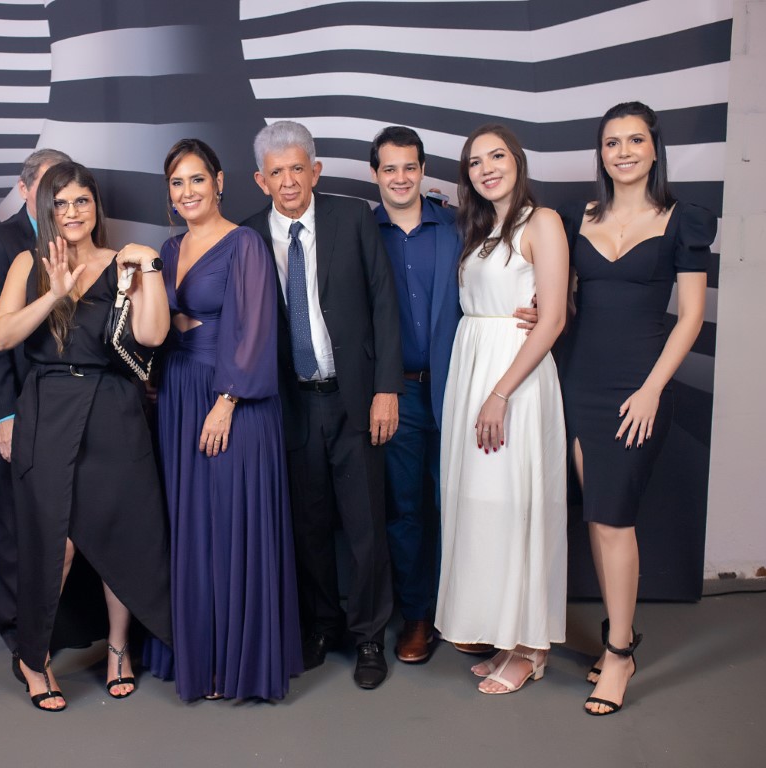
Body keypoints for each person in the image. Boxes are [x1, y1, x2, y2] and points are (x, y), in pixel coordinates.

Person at [0, 161, 173, 711]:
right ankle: (34, 657)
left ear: (96, 206)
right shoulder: (29, 262)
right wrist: (55, 294)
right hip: (48, 407)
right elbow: (1, 336)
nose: (72, 212)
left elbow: (153, 335)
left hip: (113, 408)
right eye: (62, 202)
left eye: (82, 201)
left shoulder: (123, 263)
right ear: (47, 208)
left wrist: (150, 268)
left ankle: (118, 649)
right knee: (55, 541)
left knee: (119, 533)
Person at [558, 102, 713, 715]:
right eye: (612, 142)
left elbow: (692, 316)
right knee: (599, 518)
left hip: (639, 388)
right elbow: (570, 302)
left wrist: (651, 390)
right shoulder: (580, 218)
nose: (623, 151)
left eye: (635, 140)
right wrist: (541, 313)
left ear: (654, 149)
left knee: (616, 518)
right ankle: (615, 636)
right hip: (581, 382)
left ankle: (620, 653)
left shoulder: (683, 221)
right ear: (601, 153)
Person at [369, 127, 541, 663]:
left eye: (410, 167)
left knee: (465, 500)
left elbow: (514, 267)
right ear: (376, 174)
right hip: (397, 393)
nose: (401, 178)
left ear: (424, 170)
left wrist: (545, 301)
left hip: (463, 384)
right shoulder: (361, 232)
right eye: (390, 168)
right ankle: (418, 617)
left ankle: (469, 611)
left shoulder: (461, 223)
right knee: (406, 509)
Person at [243, 121, 401, 690]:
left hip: (353, 397)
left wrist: (386, 388)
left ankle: (368, 636)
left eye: (297, 168)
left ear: (316, 170)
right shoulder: (248, 236)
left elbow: (384, 303)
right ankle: (321, 626)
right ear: (261, 180)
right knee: (307, 525)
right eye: (277, 172)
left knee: (365, 526)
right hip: (291, 403)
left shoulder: (353, 217)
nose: (288, 181)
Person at [144, 139, 302, 701]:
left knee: (230, 523)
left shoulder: (245, 244)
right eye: (177, 183)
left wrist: (226, 401)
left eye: (197, 179)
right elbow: (154, 324)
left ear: (219, 182)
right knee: (191, 523)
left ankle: (234, 663)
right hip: (179, 392)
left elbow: (257, 329)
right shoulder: (167, 248)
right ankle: (200, 653)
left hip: (231, 396)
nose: (187, 192)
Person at [434, 124, 569, 695]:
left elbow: (553, 318)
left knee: (518, 503)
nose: (486, 168)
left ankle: (531, 646)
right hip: (473, 367)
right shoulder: (481, 228)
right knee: (484, 506)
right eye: (474, 162)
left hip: (515, 377)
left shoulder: (543, 221)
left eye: (496, 156)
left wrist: (500, 392)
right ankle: (505, 635)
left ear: (517, 160)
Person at [0, 148, 71, 681]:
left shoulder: (74, 235)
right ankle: (18, 635)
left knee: (62, 519)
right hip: (20, 402)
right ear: (25, 188)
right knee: (14, 521)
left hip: (65, 402)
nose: (58, 197)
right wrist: (4, 417)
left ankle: (57, 624)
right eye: (48, 186)